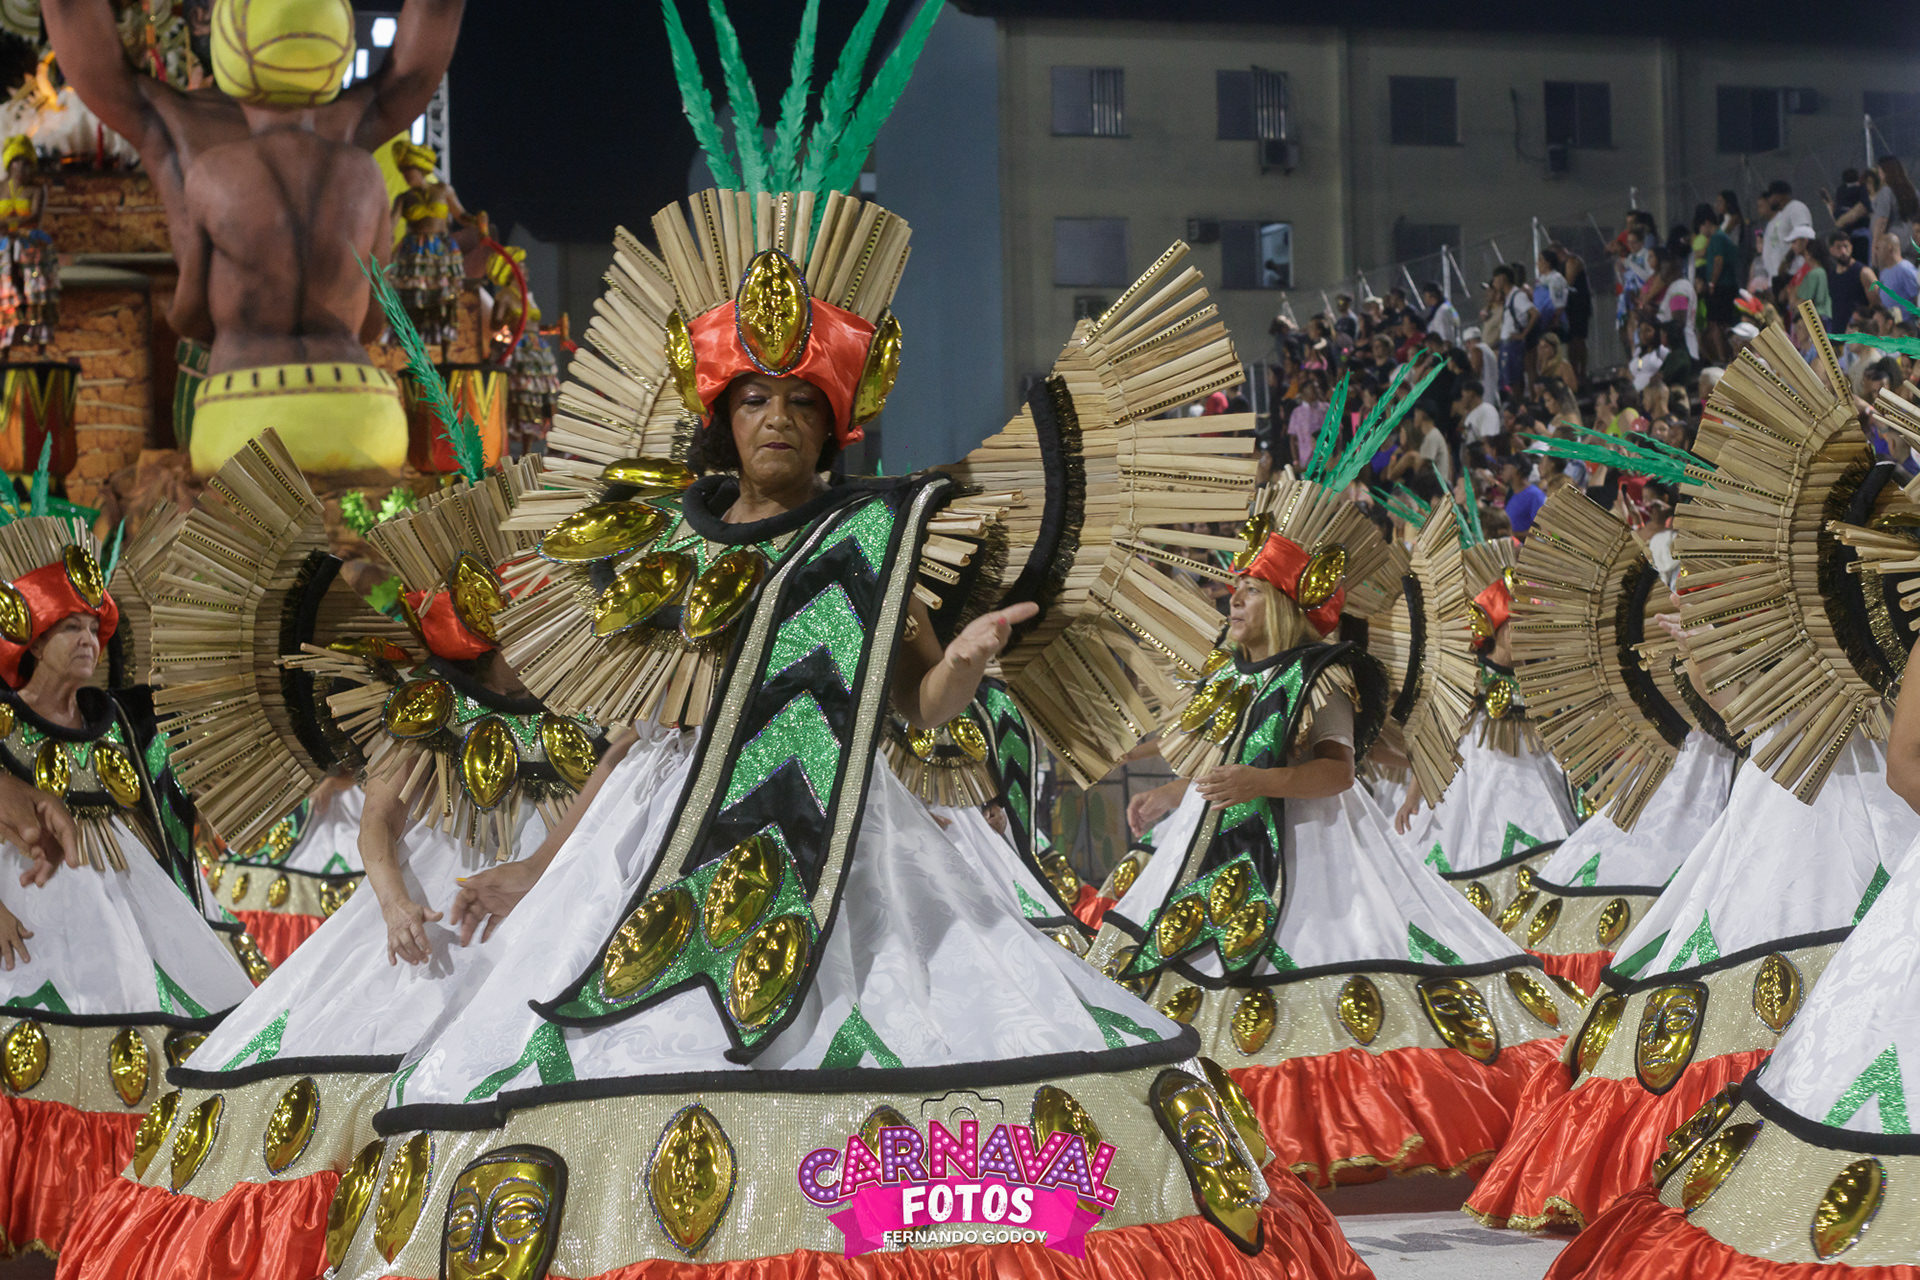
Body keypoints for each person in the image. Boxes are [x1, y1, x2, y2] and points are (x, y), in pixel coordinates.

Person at [64, 452, 621, 1280]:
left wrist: (541, 870)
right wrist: (394, 905)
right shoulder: (429, 705)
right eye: (524, 599)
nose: (542, 615)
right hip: (432, 926)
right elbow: (376, 827)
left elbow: (604, 802)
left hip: (545, 923)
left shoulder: (588, 712)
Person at [1106, 480, 1579, 1187]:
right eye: (1235, 588)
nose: (1234, 600)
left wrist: (1257, 783)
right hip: (1219, 844)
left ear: (1285, 605)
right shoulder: (1237, 675)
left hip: (1316, 849)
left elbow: (1336, 771)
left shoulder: (1323, 677)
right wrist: (1173, 793)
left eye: (1251, 590)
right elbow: (1220, 756)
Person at [42, 0, 463, 479]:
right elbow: (373, 315)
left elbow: (191, 313)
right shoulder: (353, 136)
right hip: (352, 397)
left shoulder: (173, 122)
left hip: (232, 392)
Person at [0, 512, 256, 1260]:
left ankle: (122, 1232)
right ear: (32, 640)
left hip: (127, 899)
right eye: (70, 628)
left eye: (94, 628)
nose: (89, 641)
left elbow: (158, 818)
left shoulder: (113, 718)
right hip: (29, 912)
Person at [389, 138, 474, 348]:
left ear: (420, 170)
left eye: (409, 171)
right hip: (414, 251)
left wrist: (478, 220)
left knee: (445, 294)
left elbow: (461, 216)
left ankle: (443, 341)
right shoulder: (404, 198)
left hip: (441, 249)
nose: (406, 177)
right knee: (414, 295)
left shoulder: (443, 190)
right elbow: (390, 225)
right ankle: (411, 340)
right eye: (403, 173)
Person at [0, 134, 57, 347]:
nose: (22, 168)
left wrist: (9, 224)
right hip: (2, 242)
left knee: (35, 281)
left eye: (26, 164)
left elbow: (34, 217)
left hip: (27, 241)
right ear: (10, 165)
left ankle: (36, 333)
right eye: (18, 162)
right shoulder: (1, 187)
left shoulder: (37, 189)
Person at [1698, 208, 1741, 364]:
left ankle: (1723, 358)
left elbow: (1718, 260)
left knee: (1716, 324)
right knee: (1721, 323)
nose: (1700, 232)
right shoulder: (1720, 237)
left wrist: (1712, 283)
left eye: (1700, 227)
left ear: (1707, 223)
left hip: (1721, 287)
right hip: (1725, 287)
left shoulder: (1717, 237)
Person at [1493, 264, 1536, 398]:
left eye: (1495, 279)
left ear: (1502, 278)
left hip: (1513, 345)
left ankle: (1520, 405)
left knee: (1514, 380)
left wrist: (1523, 334)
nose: (1494, 283)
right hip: (1507, 344)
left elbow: (1535, 313)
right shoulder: (1509, 296)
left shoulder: (1517, 296)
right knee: (1510, 380)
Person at [1759, 178, 1813, 280]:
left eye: (1771, 197)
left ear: (1780, 196)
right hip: (1782, 274)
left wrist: (1787, 261)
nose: (1769, 201)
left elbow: (1804, 236)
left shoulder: (1795, 207)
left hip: (1796, 270)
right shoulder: (1782, 214)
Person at [1827, 228, 1874, 333]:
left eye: (1846, 246)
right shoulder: (1831, 275)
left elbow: (1876, 304)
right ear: (1831, 250)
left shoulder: (1863, 272)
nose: (1843, 251)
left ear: (1851, 248)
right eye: (1838, 247)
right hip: (1838, 332)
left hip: (1858, 333)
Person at [1560, 244, 1593, 380]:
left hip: (1578, 307)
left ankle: (1582, 372)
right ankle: (1575, 372)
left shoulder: (1572, 261)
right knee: (1571, 342)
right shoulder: (1564, 265)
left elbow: (1568, 283)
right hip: (1571, 307)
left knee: (1578, 340)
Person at [1874, 154, 1919, 254]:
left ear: (1885, 172)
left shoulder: (1886, 191)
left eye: (1880, 171)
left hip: (1892, 242)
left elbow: (1882, 221)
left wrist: (1875, 246)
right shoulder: (1913, 191)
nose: (1879, 175)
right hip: (1912, 241)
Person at [1286, 368, 1329, 468]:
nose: (1317, 391)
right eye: (1313, 389)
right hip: (1305, 460)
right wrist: (1296, 460)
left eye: (1317, 388)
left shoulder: (1326, 408)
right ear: (1304, 391)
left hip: (1325, 459)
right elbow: (1292, 439)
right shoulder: (1297, 413)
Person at [1875, 230, 1920, 311]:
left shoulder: (1905, 269)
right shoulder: (1884, 272)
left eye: (1878, 248)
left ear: (1889, 248)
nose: (1876, 253)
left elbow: (1917, 297)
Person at [1456, 376, 1500, 446]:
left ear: (1471, 394)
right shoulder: (1470, 415)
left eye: (1463, 395)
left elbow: (1489, 440)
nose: (1462, 399)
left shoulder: (1487, 410)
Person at [1422, 279, 1459, 346]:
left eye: (1425, 295)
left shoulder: (1443, 311)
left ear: (1429, 295)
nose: (1424, 298)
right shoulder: (1439, 309)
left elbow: (1446, 339)